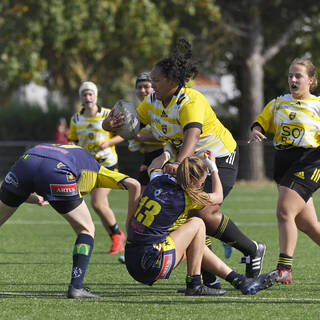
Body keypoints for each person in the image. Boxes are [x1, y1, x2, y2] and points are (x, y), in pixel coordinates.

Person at [103, 39, 265, 288]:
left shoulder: (191, 101)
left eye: (156, 80)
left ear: (173, 82)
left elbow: (193, 135)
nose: (151, 85)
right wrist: (110, 125)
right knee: (190, 216)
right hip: (190, 161)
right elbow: (134, 127)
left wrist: (178, 164)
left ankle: (249, 250)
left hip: (219, 156)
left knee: (200, 212)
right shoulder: (154, 102)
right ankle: (210, 279)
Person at [125, 149, 277, 295]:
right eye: (202, 182)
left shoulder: (158, 179)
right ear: (192, 180)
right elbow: (218, 196)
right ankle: (194, 284)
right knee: (197, 223)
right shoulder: (188, 196)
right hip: (151, 263)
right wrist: (214, 169)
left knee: (196, 239)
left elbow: (153, 166)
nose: (202, 186)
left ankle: (239, 280)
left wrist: (167, 153)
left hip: (132, 259)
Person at [0, 143, 141, 298]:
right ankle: (76, 287)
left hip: (26, 160)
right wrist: (130, 225)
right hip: (57, 170)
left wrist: (35, 198)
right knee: (86, 229)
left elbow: (11, 189)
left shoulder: (71, 152)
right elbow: (134, 184)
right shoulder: (98, 172)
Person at [248, 58, 320, 284]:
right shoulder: (278, 103)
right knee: (307, 225)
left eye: (298, 76)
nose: (293, 79)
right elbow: (261, 122)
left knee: (284, 212)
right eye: (290, 75)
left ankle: (284, 268)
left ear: (311, 80)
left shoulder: (318, 106)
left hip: (309, 162)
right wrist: (256, 131)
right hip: (283, 165)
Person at [68, 81, 126, 254]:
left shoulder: (108, 114)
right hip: (86, 167)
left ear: (95, 96)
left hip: (107, 165)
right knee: (98, 205)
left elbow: (123, 135)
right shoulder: (76, 119)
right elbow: (73, 140)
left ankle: (117, 236)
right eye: (84, 95)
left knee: (97, 202)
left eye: (90, 94)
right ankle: (116, 237)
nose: (88, 97)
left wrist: (108, 142)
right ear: (81, 97)